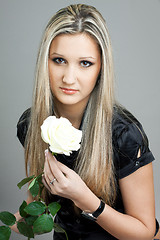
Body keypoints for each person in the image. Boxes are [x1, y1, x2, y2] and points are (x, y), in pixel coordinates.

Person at [14, 4, 159, 240]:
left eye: (85, 63)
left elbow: (145, 233)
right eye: (59, 60)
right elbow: (33, 205)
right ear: (45, 62)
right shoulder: (32, 125)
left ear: (101, 68)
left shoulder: (124, 134)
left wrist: (86, 199)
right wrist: (17, 219)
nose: (69, 78)